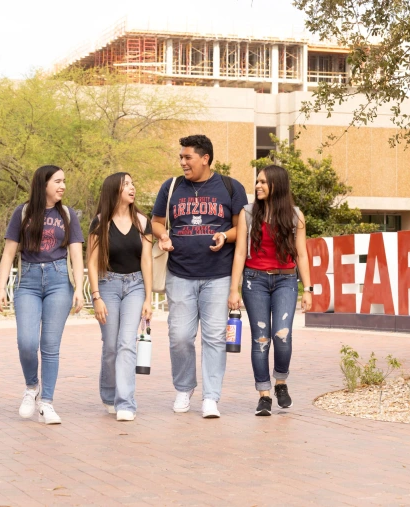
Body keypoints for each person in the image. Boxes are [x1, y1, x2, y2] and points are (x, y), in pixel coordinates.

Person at [152, 135, 247, 418]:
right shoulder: (171, 187)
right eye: (181, 157)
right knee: (180, 336)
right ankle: (184, 389)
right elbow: (156, 223)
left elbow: (239, 230)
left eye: (188, 157)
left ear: (205, 158)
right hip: (180, 274)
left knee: (215, 337)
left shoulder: (231, 187)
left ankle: (211, 397)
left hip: (218, 275)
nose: (182, 162)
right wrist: (164, 236)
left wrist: (223, 235)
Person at [0, 165, 85, 425]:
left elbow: (76, 253)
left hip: (59, 280)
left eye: (64, 181)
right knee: (26, 342)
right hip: (28, 282)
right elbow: (9, 252)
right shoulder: (22, 213)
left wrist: (79, 287)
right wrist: (1, 287)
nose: (62, 186)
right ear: (43, 183)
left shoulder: (67, 214)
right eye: (57, 181)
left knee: (50, 346)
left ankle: (47, 402)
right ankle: (31, 387)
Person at [228, 165, 313, 416]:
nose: (258, 186)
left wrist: (307, 289)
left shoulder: (296, 216)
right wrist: (234, 289)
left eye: (263, 182)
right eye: (257, 181)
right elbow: (240, 253)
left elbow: (301, 255)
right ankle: (264, 394)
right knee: (260, 339)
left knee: (282, 336)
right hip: (254, 282)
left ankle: (281, 382)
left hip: (286, 281)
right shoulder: (247, 214)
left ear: (277, 184)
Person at [87, 173, 153, 422]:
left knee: (127, 342)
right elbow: (92, 263)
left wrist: (148, 298)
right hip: (108, 285)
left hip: (135, 285)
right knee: (111, 346)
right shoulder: (99, 223)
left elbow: (146, 260)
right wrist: (96, 297)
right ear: (114, 190)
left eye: (132, 183)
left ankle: (126, 402)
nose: (132, 187)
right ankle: (108, 394)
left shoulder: (142, 222)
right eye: (126, 184)